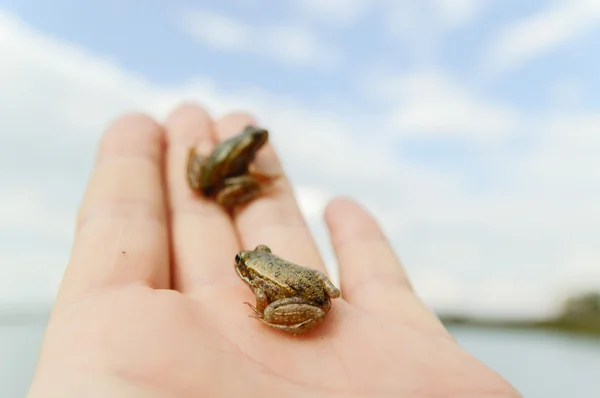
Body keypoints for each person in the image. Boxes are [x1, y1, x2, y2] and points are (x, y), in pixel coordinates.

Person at [26, 103, 521, 398]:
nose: (241, 265)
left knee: (277, 310)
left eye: (244, 262)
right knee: (311, 290)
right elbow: (312, 283)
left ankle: (287, 320)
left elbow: (266, 294)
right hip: (308, 281)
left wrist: (264, 311)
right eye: (245, 262)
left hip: (299, 294)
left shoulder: (257, 278)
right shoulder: (260, 235)